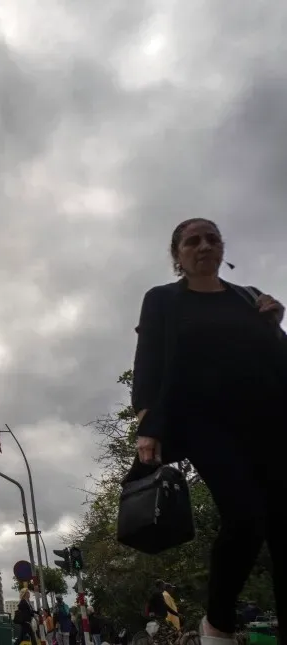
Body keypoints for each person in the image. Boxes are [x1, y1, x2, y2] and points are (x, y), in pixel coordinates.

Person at [132, 218, 287, 645]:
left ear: (222, 248)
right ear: (177, 256)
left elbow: (274, 359)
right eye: (192, 240)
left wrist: (273, 325)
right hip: (205, 425)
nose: (204, 245)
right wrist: (148, 425)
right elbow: (149, 361)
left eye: (212, 238)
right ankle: (217, 625)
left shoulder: (249, 297)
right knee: (246, 517)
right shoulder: (163, 300)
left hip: (269, 422)